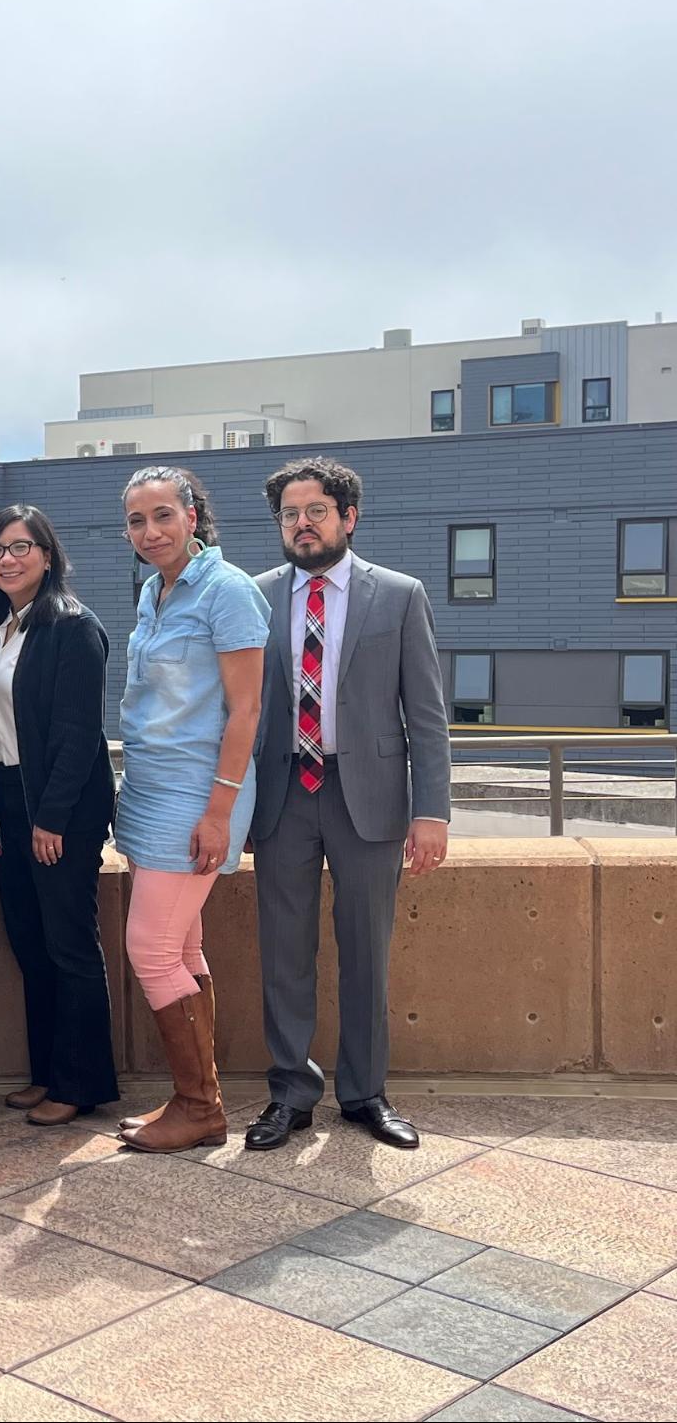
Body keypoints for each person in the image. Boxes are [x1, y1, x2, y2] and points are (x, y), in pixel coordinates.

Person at [244, 458, 450, 1152]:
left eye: (314, 511)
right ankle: (289, 1094)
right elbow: (236, 708)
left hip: (368, 798)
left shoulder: (397, 595)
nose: (301, 525)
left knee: (366, 950)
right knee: (283, 953)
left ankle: (364, 1094)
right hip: (280, 797)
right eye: (288, 515)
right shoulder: (254, 595)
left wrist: (432, 811)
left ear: (346, 517)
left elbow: (425, 715)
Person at [111, 466, 268, 1154]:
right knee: (178, 946)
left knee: (147, 948)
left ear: (193, 515)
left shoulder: (227, 591)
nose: (150, 532)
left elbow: (247, 709)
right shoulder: (154, 590)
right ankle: (195, 1098)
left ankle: (198, 1105)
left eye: (162, 516)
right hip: (149, 786)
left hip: (196, 791)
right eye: (137, 521)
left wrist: (218, 812)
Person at [0, 505, 121, 1126]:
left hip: (57, 806)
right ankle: (47, 1073)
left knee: (69, 945)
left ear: (48, 554)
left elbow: (78, 731)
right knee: (30, 944)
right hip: (9, 799)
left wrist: (52, 819)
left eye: (22, 547)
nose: (9, 559)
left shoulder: (70, 625)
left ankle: (82, 1083)